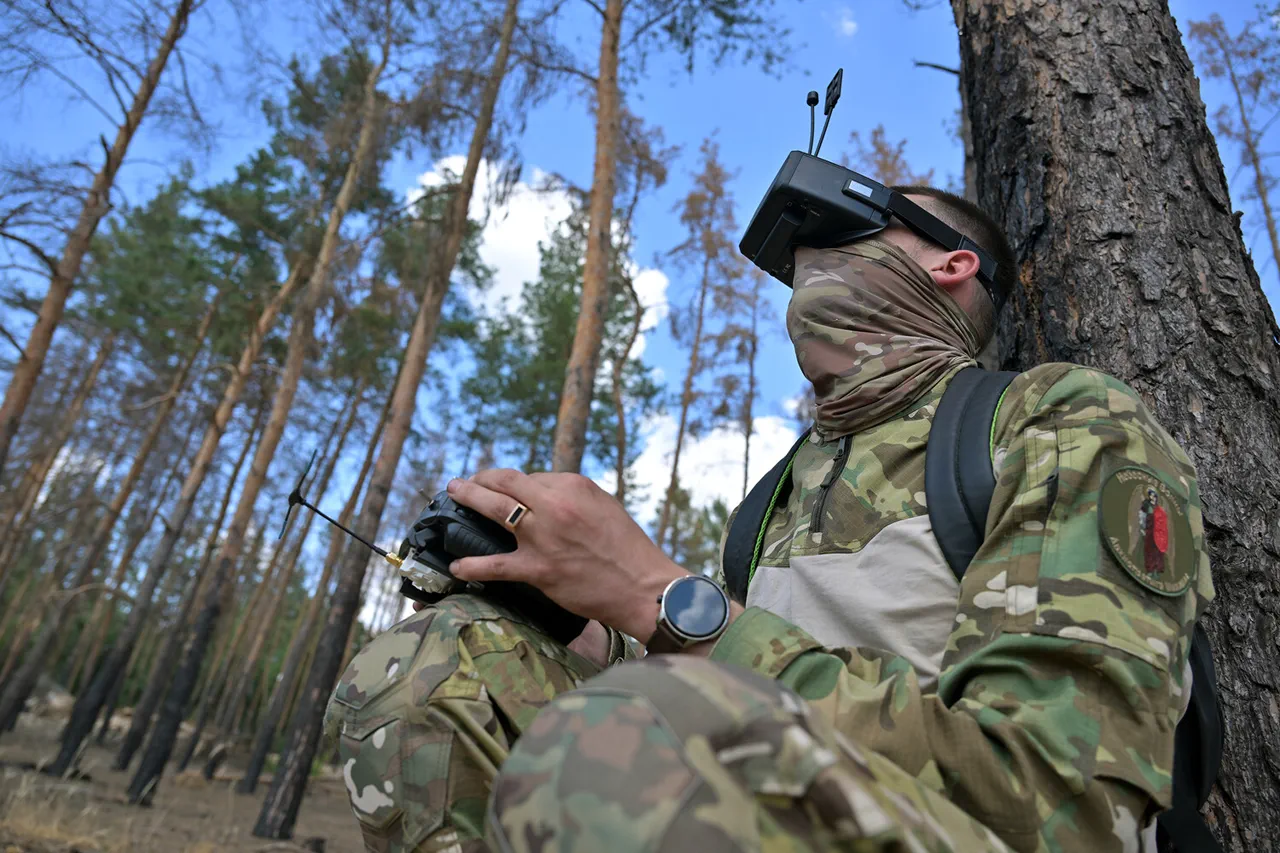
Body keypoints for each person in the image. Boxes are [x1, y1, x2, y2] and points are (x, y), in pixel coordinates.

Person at [323, 185, 1214, 853]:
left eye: (848, 233)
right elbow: (733, 674)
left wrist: (660, 596)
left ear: (950, 264)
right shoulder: (774, 498)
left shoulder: (1050, 419)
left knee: (619, 734)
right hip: (779, 808)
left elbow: (1061, 804)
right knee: (440, 660)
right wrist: (580, 623)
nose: (809, 262)